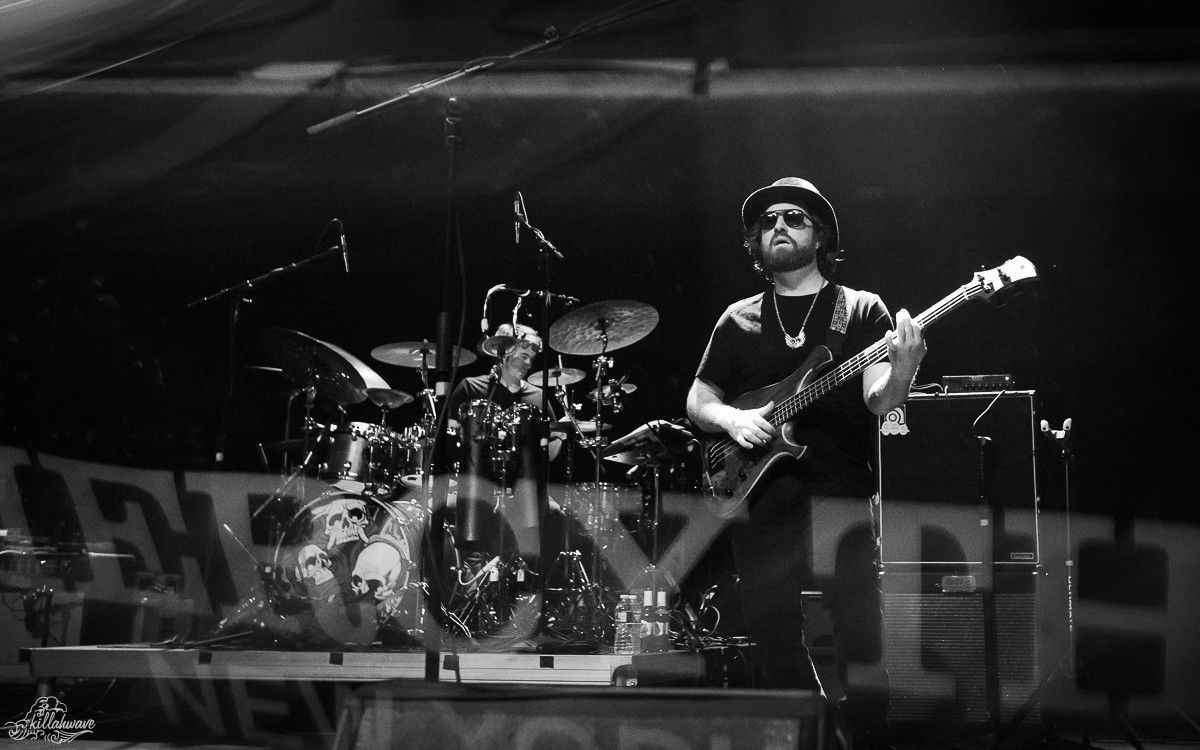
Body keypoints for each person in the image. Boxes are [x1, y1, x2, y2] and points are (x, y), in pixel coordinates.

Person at [686, 177, 926, 696]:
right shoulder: (737, 318)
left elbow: (878, 399)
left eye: (793, 218)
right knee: (773, 640)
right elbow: (698, 401)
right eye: (768, 221)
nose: (778, 226)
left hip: (838, 494)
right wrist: (732, 420)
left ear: (819, 236)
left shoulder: (860, 309)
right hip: (760, 500)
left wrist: (904, 368)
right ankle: (809, 726)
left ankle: (862, 731)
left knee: (861, 636)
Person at [444, 323, 562, 573]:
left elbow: (552, 446)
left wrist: (557, 441)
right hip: (478, 486)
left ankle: (527, 579)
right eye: (523, 355)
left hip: (523, 490)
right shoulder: (470, 387)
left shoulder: (538, 397)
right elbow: (450, 438)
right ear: (504, 352)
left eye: (531, 358)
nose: (529, 363)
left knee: (554, 514)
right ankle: (474, 579)